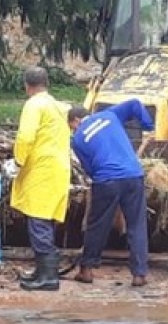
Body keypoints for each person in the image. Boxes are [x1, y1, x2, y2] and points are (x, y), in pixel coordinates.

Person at [66, 101, 154, 287]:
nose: (73, 131)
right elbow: (135, 104)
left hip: (106, 180)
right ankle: (139, 274)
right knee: (136, 224)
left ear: (76, 120)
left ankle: (87, 270)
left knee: (97, 224)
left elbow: (88, 168)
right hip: (133, 175)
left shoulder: (78, 140)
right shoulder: (109, 115)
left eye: (71, 127)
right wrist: (148, 125)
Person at [4, 67, 71, 292]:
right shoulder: (57, 106)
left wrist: (17, 162)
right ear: (47, 83)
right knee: (44, 221)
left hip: (40, 171)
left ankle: (48, 276)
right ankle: (42, 271)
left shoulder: (34, 105)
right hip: (56, 170)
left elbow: (25, 137)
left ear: (26, 85)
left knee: (38, 221)